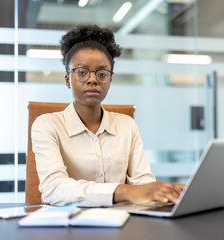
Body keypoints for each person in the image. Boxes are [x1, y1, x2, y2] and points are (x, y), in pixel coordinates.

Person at [31, 25, 185, 207]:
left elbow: (143, 183)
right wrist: (124, 191)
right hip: (69, 227)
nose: (93, 79)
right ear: (67, 79)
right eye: (81, 72)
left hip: (121, 224)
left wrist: (166, 193)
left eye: (102, 73)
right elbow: (53, 189)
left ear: (110, 80)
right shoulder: (47, 125)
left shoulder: (126, 125)